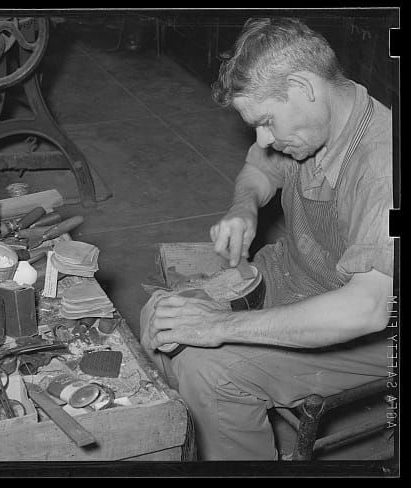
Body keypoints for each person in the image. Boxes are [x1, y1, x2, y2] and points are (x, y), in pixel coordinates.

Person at [140, 17, 394, 460]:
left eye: (266, 121)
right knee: (162, 318)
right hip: (294, 277)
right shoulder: (321, 113)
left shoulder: (384, 168)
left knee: (210, 370)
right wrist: (244, 207)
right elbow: (259, 167)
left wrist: (218, 327)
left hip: (374, 333)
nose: (262, 138)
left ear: (302, 86)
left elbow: (367, 309)